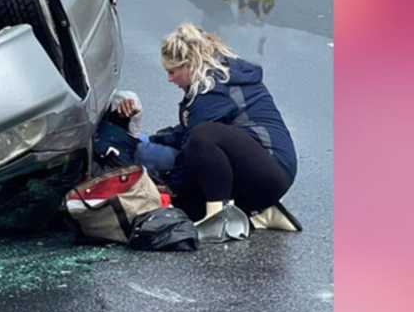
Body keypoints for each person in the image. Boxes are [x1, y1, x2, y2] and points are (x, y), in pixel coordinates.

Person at [116, 23, 299, 228]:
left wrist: (172, 186)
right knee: (184, 208)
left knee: (203, 137)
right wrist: (155, 139)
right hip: (262, 169)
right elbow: (187, 133)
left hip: (272, 168)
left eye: (172, 71)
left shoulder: (213, 89)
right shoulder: (212, 80)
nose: (169, 79)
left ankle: (217, 220)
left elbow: (194, 143)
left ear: (189, 65)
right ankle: (260, 212)